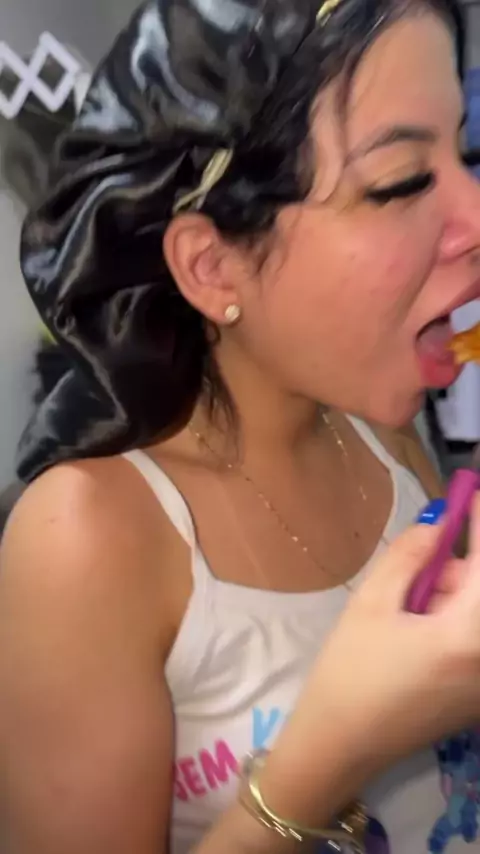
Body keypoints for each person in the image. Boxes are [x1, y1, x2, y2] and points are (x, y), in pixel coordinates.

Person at [2, 0, 480, 851]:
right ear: (213, 265)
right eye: (401, 181)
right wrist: (331, 755)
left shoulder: (380, 430)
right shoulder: (82, 541)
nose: (475, 217)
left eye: (465, 155)